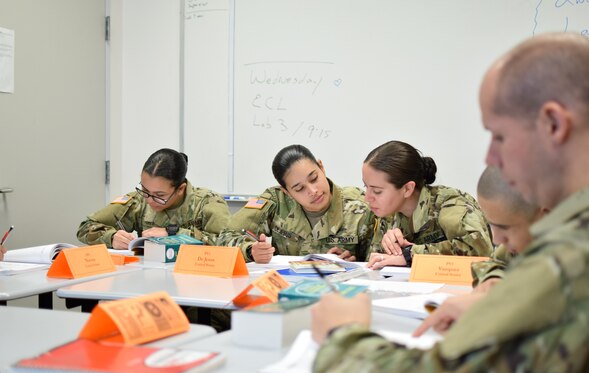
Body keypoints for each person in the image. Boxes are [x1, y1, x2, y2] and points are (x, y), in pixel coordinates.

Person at [311, 32, 589, 373]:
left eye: (499, 136)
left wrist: (342, 336)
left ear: (553, 124)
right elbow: (502, 259)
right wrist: (493, 292)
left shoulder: (572, 254)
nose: (491, 157)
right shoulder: (566, 227)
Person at [412, 166, 545, 336]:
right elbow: (495, 262)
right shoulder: (524, 234)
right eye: (492, 226)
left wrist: (505, 300)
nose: (497, 239)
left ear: (545, 214)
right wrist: (493, 278)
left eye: (504, 227)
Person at [217, 144, 375, 263]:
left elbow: (379, 263)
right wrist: (251, 251)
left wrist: (355, 265)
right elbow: (224, 237)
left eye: (314, 178)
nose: (313, 191)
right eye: (299, 188)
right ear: (287, 192)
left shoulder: (361, 206)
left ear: (321, 167)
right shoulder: (276, 201)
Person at [363, 140, 493, 269]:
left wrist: (411, 254)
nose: (367, 198)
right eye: (366, 186)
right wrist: (389, 248)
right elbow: (375, 262)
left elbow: (480, 249)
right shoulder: (388, 212)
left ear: (408, 189)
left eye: (377, 191)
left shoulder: (450, 206)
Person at [77, 148, 230, 248]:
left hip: (196, 281)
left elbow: (228, 245)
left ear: (180, 189)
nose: (149, 200)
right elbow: (85, 227)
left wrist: (174, 234)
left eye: (159, 195)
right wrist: (111, 237)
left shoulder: (208, 203)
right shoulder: (138, 201)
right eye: (145, 190)